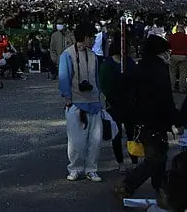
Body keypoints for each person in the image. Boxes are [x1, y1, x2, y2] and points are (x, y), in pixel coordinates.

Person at [116, 34, 178, 199]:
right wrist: (175, 119)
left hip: (140, 118)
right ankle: (129, 184)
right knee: (155, 158)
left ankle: (161, 187)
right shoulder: (159, 69)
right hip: (155, 119)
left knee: (161, 155)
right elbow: (165, 97)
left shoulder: (138, 67)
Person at [59, 22, 104, 183]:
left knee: (95, 140)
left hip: (94, 103)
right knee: (76, 141)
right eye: (91, 37)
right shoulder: (67, 54)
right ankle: (75, 168)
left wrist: (99, 98)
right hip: (76, 103)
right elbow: (64, 78)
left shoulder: (93, 56)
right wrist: (68, 99)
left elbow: (97, 80)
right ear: (85, 38)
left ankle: (92, 169)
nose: (93, 40)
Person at [100, 32, 137, 173]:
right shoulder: (107, 64)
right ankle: (120, 162)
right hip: (114, 104)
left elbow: (136, 81)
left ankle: (134, 160)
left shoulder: (129, 63)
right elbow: (103, 85)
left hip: (129, 104)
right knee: (116, 134)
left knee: (131, 133)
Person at [168, 24, 187, 93]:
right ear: (183, 29)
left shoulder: (172, 37)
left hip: (174, 55)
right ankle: (182, 88)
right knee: (183, 73)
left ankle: (172, 87)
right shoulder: (186, 37)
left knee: (172, 73)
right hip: (183, 56)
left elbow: (168, 45)